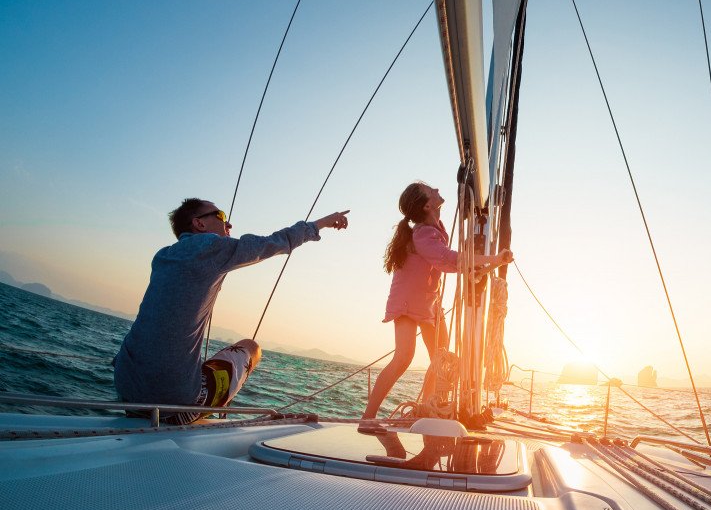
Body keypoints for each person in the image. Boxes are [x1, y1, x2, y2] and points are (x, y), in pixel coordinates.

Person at [113, 198, 350, 424]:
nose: (229, 224)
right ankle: (200, 406)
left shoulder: (162, 256)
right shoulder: (212, 246)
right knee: (251, 348)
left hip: (126, 386)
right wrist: (322, 223)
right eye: (221, 215)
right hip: (174, 400)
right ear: (199, 223)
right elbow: (275, 241)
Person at [361, 182, 512, 425]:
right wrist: (493, 258)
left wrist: (490, 264)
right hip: (408, 302)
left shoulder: (433, 229)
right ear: (428, 205)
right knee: (403, 356)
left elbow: (450, 262)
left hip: (430, 303)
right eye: (430, 190)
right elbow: (448, 260)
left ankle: (427, 408)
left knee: (440, 358)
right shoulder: (422, 234)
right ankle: (367, 417)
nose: (436, 189)